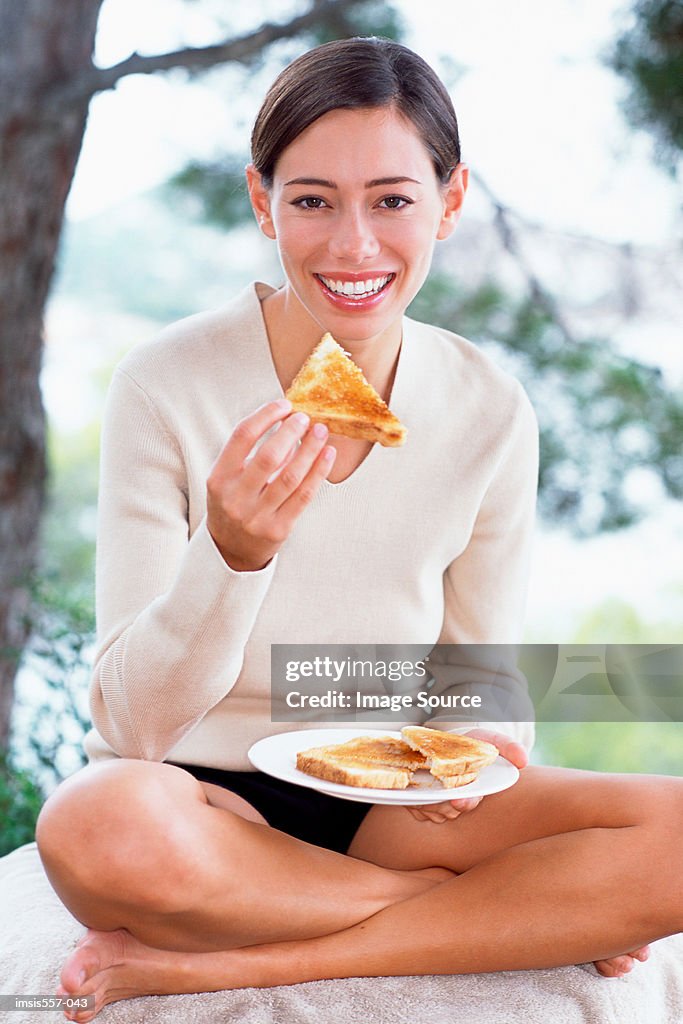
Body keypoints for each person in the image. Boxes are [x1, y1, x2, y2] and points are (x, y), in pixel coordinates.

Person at [35, 36, 681, 1023]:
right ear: (261, 203)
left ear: (449, 202)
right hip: (206, 800)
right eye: (310, 201)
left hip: (397, 801)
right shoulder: (167, 383)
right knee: (92, 824)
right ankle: (484, 918)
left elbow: (483, 672)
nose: (352, 247)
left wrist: (484, 730)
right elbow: (130, 727)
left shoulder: (487, 406)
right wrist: (231, 554)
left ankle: (222, 963)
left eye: (391, 199)